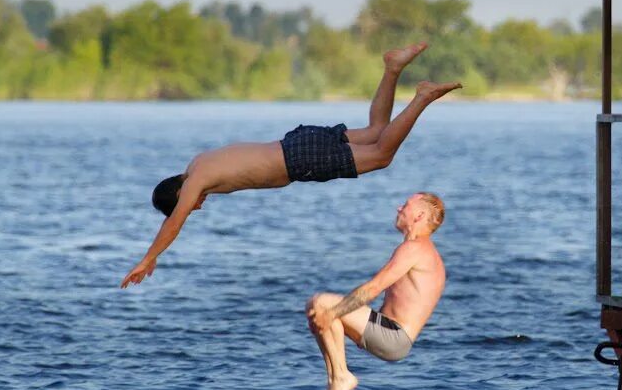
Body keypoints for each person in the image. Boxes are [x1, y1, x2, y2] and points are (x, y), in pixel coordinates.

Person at [120, 44, 459, 288]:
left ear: (179, 193)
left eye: (189, 205)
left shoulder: (198, 178)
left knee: (383, 154)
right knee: (376, 133)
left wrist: (149, 258)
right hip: (295, 142)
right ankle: (392, 68)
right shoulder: (199, 163)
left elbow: (173, 224)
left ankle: (422, 97)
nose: (197, 205)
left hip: (299, 160)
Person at [305, 192, 447, 390]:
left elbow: (373, 288)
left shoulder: (416, 249)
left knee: (322, 304)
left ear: (419, 215)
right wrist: (331, 316)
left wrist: (331, 313)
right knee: (320, 308)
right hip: (391, 334)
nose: (399, 208)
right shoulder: (423, 251)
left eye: (406, 205)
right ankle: (336, 378)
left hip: (394, 336)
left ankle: (341, 376)